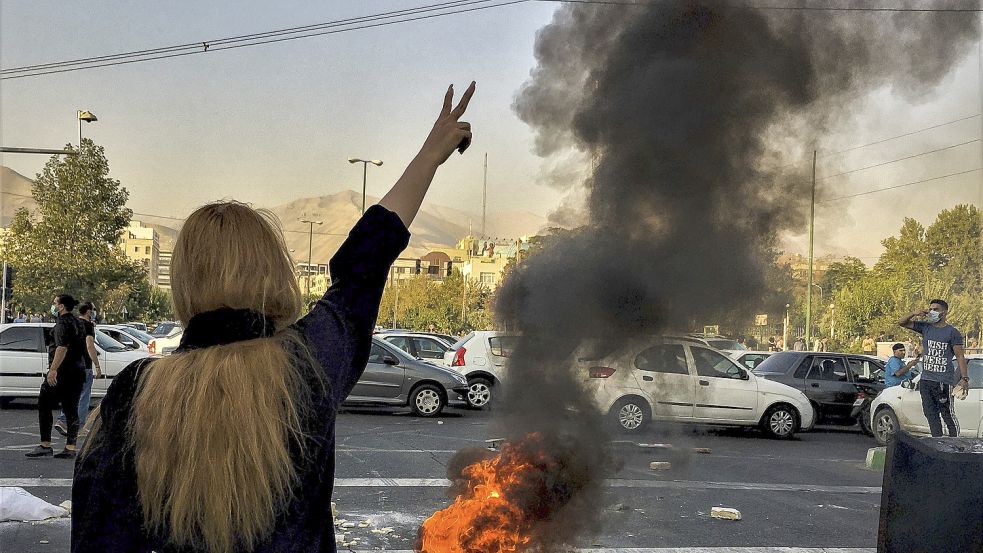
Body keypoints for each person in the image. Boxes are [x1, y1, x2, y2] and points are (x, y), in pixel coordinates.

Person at [72, 82, 475, 552]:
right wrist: (429, 156)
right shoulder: (308, 365)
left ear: (184, 281)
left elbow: (95, 537)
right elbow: (364, 263)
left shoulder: (134, 392)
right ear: (272, 271)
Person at [25, 295, 88, 459]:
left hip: (63, 372)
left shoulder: (62, 324)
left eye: (55, 303)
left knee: (44, 403)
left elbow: (62, 347)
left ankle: (45, 444)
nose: (53, 306)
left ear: (61, 307)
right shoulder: (79, 323)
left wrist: (53, 370)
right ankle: (70, 447)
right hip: (78, 370)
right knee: (71, 408)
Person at [898, 299, 970, 438]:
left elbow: (960, 356)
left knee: (947, 413)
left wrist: (964, 378)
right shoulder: (926, 327)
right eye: (930, 309)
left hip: (943, 381)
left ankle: (955, 443)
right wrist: (914, 313)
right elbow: (901, 322)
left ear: (944, 312)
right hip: (926, 380)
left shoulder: (952, 332)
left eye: (935, 309)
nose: (932, 312)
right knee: (930, 413)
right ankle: (937, 440)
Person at [55, 302, 102, 437]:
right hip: (84, 366)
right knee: (83, 396)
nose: (94, 312)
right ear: (87, 311)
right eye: (93, 310)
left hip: (70, 364)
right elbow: (90, 346)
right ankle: (79, 425)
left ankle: (63, 420)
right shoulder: (87, 326)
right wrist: (97, 365)